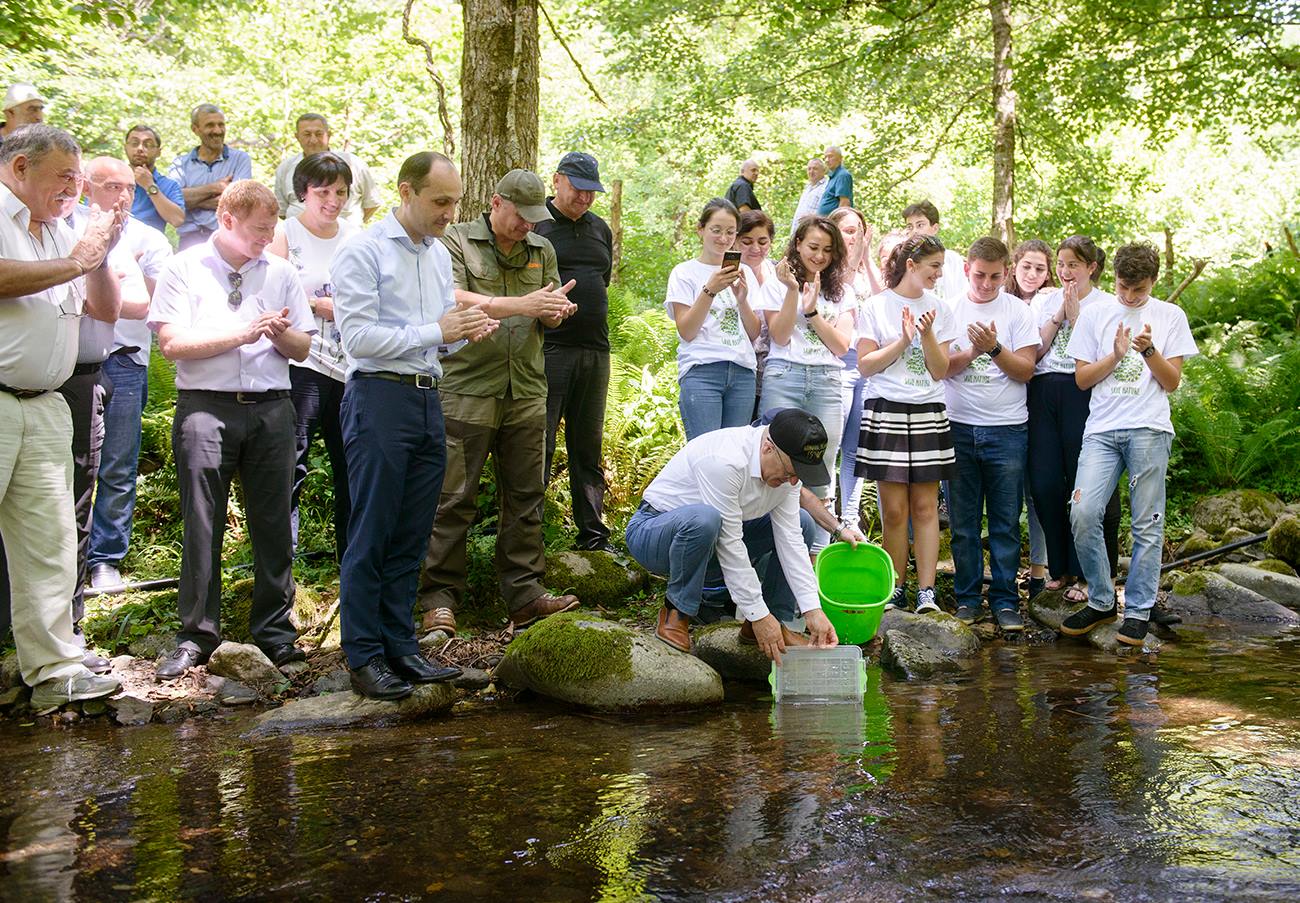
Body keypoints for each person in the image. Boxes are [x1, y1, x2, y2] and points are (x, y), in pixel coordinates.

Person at [332, 151, 496, 700]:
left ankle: (401, 646)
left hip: (428, 398)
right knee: (372, 530)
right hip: (378, 398)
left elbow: (436, 338)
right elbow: (359, 339)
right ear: (406, 192)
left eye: (455, 202)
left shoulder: (436, 255)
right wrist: (437, 331)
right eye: (440, 201)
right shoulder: (363, 251)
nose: (450, 213)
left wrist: (463, 332)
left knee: (412, 532)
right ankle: (363, 654)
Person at [148, 179, 315, 680]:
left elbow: (303, 348)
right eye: (259, 230)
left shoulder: (281, 272)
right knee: (202, 523)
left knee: (274, 522)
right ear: (226, 219)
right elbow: (172, 344)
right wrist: (243, 334)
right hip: (205, 408)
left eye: (271, 228)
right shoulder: (184, 267)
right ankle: (197, 636)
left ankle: (276, 632)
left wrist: (278, 332)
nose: (267, 238)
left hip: (272, 408)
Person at [417, 169, 580, 637]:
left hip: (525, 389)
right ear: (496, 203)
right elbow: (451, 298)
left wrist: (556, 311)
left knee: (527, 496)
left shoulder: (542, 249)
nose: (527, 225)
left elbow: (546, 313)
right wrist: (523, 306)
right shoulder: (456, 241)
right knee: (452, 499)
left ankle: (525, 596)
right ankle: (439, 599)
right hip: (467, 389)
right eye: (520, 216)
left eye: (534, 218)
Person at [0, 124, 123, 707]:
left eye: (79, 178)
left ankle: (54, 671)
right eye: (65, 177)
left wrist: (99, 256)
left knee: (50, 544)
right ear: (21, 167)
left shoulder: (63, 230)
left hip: (49, 402)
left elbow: (105, 309)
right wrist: (78, 259)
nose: (75, 189)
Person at [625, 408, 855, 660]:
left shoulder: (786, 471)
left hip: (711, 543)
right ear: (768, 448)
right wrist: (757, 613)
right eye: (790, 472)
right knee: (705, 519)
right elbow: (730, 544)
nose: (793, 482)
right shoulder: (724, 461)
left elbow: (790, 540)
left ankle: (774, 623)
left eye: (798, 475)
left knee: (802, 523)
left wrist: (813, 610)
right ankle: (675, 612)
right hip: (655, 534)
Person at [1061, 241, 1197, 647]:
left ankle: (1138, 610)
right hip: (1102, 430)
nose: (1131, 296)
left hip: (1149, 429)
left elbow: (1171, 382)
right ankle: (1102, 600)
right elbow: (1081, 379)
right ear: (1115, 277)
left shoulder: (1170, 316)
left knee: (1147, 523)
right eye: (1124, 286)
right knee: (1083, 511)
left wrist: (1149, 350)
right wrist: (1117, 356)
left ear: (1154, 281)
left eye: (1139, 289)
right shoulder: (1095, 314)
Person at [58, 159, 150, 646]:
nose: (123, 195)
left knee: (113, 465)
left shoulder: (136, 238)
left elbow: (135, 304)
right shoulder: (56, 226)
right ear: (86, 186)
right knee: (59, 477)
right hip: (60, 368)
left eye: (130, 187)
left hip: (119, 362)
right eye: (113, 185)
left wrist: (83, 275)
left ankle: (103, 562)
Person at [855, 234, 957, 614]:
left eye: (941, 267)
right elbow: (865, 365)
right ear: (911, 265)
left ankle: (927, 592)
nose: (939, 274)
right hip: (887, 410)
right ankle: (895, 588)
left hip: (928, 410)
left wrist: (927, 335)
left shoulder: (941, 309)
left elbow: (940, 370)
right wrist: (902, 340)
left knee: (926, 507)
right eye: (934, 266)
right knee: (895, 510)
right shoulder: (876, 306)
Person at [266, 152, 359, 562]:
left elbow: (371, 298)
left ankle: (349, 557)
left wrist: (341, 308)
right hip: (300, 364)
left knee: (350, 464)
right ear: (303, 192)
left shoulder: (356, 237)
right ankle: (281, 558)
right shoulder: (284, 233)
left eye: (340, 192)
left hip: (349, 365)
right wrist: (320, 305)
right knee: (292, 461)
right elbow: (272, 296)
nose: (333, 201)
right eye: (323, 192)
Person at [942, 238, 1039, 631]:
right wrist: (972, 352)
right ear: (967, 268)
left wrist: (994, 348)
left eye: (995, 277)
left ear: (1006, 272)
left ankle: (1005, 600)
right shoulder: (949, 308)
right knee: (963, 524)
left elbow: (1026, 370)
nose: (986, 284)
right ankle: (967, 600)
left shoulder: (1018, 311)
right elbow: (940, 367)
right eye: (980, 275)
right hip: (957, 426)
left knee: (1004, 522)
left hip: (1007, 429)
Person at [1028, 236, 1121, 603]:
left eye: (1074, 265)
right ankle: (1060, 567)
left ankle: (1087, 573)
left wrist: (1078, 317)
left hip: (1083, 392)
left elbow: (1106, 356)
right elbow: (1034, 352)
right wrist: (1058, 316)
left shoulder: (1107, 303)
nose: (1066, 272)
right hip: (1044, 389)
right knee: (1045, 483)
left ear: (1091, 267)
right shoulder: (1043, 300)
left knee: (1082, 483)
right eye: (1062, 264)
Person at [533, 152, 614, 553]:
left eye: (591, 192)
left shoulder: (600, 229)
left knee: (588, 446)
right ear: (557, 181)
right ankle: (530, 536)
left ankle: (593, 536)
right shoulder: (538, 225)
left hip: (595, 349)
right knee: (540, 444)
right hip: (551, 349)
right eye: (578, 189)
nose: (585, 198)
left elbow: (603, 279)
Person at [758, 215, 854, 549]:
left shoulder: (843, 292)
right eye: (813, 247)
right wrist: (792, 292)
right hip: (784, 375)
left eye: (828, 250)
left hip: (827, 381)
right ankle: (772, 553)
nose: (820, 256)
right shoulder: (776, 283)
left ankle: (817, 556)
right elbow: (780, 335)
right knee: (774, 460)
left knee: (821, 468)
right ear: (798, 244)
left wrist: (812, 313)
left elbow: (842, 346)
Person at [667, 198, 760, 439]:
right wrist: (709, 290)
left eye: (730, 232)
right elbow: (686, 331)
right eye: (716, 230)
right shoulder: (684, 273)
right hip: (702, 370)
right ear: (701, 229)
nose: (723, 238)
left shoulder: (746, 273)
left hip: (742, 372)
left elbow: (754, 333)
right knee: (705, 450)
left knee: (734, 452)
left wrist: (742, 300)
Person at [1004, 238, 1057, 597]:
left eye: (1040, 268)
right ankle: (1004, 573)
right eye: (1027, 266)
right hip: (1001, 405)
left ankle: (1039, 570)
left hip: (1038, 401)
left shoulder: (1051, 301)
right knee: (1007, 495)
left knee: (1036, 490)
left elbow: (1038, 352)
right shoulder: (998, 299)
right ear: (1014, 266)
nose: (1032, 274)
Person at [826, 207, 883, 529]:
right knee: (831, 445)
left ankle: (850, 519)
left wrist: (867, 258)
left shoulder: (865, 270)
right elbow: (840, 293)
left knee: (856, 449)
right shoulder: (827, 269)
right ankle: (826, 518)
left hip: (867, 367)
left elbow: (884, 300)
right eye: (848, 231)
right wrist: (853, 257)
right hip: (839, 363)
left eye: (858, 231)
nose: (854, 237)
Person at [168, 104, 252, 250]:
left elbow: (238, 202)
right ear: (195, 129)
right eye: (210, 125)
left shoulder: (240, 159)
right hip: (190, 240)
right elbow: (173, 200)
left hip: (228, 238)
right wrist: (216, 187)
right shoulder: (180, 163)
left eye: (221, 125)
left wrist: (192, 201)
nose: (217, 131)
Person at [273, 113, 380, 225]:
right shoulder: (285, 168)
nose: (313, 140)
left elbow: (371, 204)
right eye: (307, 134)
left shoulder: (353, 164)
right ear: (297, 137)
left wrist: (347, 227)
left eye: (319, 134)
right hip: (298, 233)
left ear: (328, 135)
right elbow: (281, 210)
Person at [735, 209, 778, 414]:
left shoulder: (779, 273)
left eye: (762, 242)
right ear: (735, 241)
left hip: (774, 369)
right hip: (741, 367)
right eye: (747, 241)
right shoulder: (725, 274)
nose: (755, 248)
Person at [124, 124, 185, 233]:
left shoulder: (169, 185)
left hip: (148, 242)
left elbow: (177, 220)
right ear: (125, 147)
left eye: (148, 145)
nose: (140, 148)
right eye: (134, 143)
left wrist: (150, 186)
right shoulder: (112, 180)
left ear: (158, 152)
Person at [902, 201, 966, 304]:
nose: (914, 231)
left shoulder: (952, 259)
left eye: (920, 225)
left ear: (935, 228)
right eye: (910, 227)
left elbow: (962, 294)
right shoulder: (904, 261)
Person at [790, 158, 827, 235]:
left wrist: (812, 217)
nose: (811, 171)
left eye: (815, 169)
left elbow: (827, 211)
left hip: (812, 232)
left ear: (823, 171)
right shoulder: (808, 187)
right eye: (809, 169)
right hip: (798, 232)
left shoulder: (826, 187)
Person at [817, 146, 853, 214]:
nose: (827, 160)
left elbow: (844, 203)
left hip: (833, 220)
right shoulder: (833, 177)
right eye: (825, 157)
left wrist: (835, 220)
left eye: (830, 156)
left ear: (840, 158)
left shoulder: (842, 175)